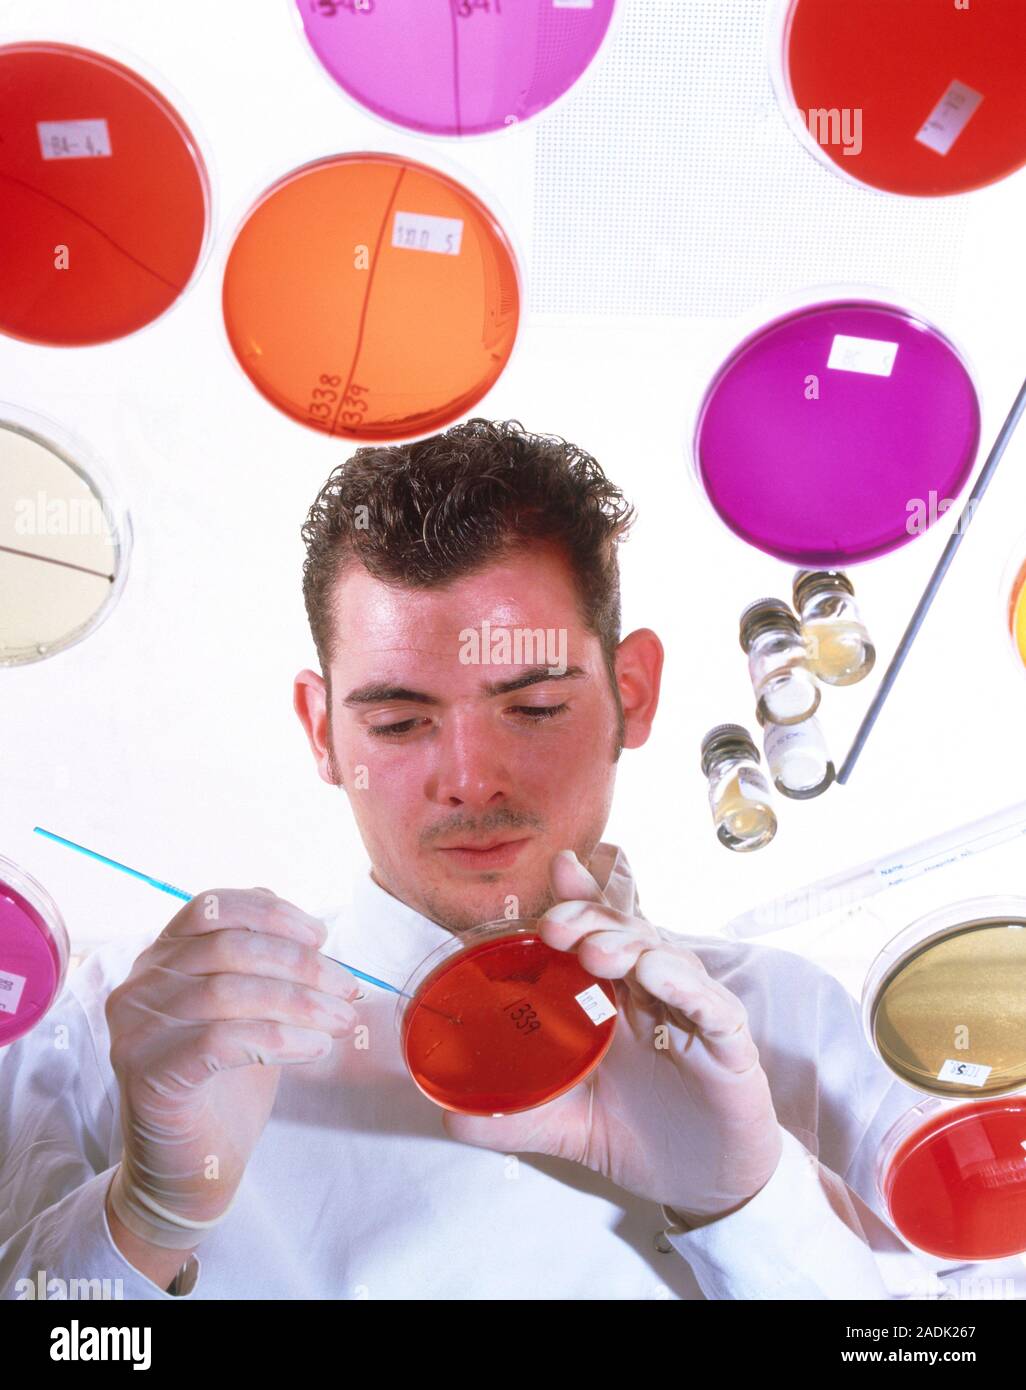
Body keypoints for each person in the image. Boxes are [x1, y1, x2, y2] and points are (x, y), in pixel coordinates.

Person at [0, 419, 1008, 1300]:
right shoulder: (123, 1035)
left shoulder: (797, 1025)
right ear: (320, 731)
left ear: (634, 690)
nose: (470, 777)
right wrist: (144, 1221)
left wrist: (744, 1199)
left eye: (532, 707)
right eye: (398, 720)